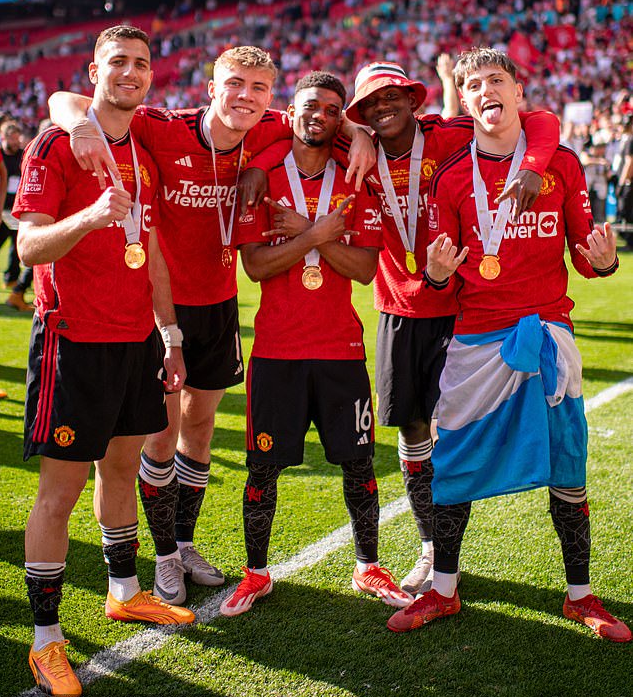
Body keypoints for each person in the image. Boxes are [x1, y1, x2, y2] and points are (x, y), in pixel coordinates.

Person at [48, 46, 375, 607]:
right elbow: (69, 98)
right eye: (235, 84)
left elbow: (324, 120)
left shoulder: (269, 126)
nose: (245, 96)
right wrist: (79, 124)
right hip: (164, 307)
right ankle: (164, 561)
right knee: (161, 434)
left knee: (199, 431)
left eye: (258, 88)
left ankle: (184, 541)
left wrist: (357, 131)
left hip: (222, 304)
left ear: (271, 98)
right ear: (210, 88)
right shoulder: (162, 126)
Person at [386, 47, 631, 643]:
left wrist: (600, 262)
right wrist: (440, 275)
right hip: (474, 343)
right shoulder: (450, 178)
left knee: (567, 469)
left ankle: (580, 596)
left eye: (496, 80)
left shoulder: (563, 165)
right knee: (454, 467)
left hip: (549, 334)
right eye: (472, 85)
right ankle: (443, 590)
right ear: (465, 103)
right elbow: (441, 272)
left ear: (520, 92)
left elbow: (583, 251)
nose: (484, 90)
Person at [13, 25, 195, 697]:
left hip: (134, 341)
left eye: (141, 64)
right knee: (58, 493)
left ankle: (124, 590)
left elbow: (146, 253)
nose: (131, 72)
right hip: (74, 341)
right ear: (93, 70)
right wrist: (90, 215)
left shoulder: (137, 148)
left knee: (121, 468)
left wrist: (170, 336)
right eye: (117, 61)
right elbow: (30, 247)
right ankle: (45, 639)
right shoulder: (57, 142)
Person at [344, 59, 561, 595]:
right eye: (371, 102)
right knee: (413, 432)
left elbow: (540, 119)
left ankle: (446, 554)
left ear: (415, 98)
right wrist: (352, 133)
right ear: (364, 113)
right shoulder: (356, 150)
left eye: (393, 94)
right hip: (399, 310)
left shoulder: (450, 133)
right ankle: (428, 548)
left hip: (462, 311)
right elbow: (298, 121)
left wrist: (532, 164)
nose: (384, 105)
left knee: (460, 435)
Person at [221, 71, 412, 617]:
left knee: (358, 465)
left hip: (340, 349)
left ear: (340, 120)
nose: (319, 116)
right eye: (311, 106)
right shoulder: (261, 177)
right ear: (290, 111)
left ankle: (368, 564)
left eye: (332, 109)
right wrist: (316, 235)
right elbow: (255, 266)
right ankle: (256, 573)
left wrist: (310, 232)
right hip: (277, 350)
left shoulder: (357, 179)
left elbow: (364, 268)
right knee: (263, 469)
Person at [0, 121, 35, 310]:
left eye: (16, 138)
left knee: (16, 248)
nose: (15, 142)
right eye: (11, 138)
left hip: (15, 210)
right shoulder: (1, 156)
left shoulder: (22, 156)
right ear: (3, 137)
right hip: (2, 209)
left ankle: (12, 280)